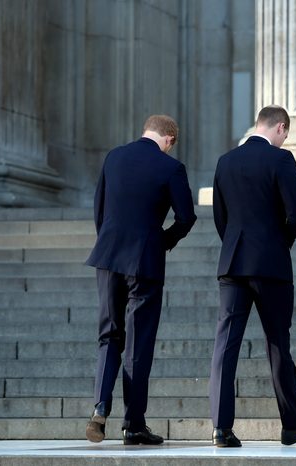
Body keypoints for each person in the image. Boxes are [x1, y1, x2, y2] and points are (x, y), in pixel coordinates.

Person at [208, 105, 296, 447]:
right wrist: (279, 242)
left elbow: (220, 218)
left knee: (225, 347)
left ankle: (220, 428)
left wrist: (235, 246)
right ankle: (292, 423)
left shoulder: (225, 161)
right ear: (280, 128)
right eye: (285, 133)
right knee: (277, 344)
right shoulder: (281, 160)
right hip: (270, 265)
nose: (285, 139)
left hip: (232, 264)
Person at [84, 115, 197, 445]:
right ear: (170, 139)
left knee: (109, 335)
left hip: (108, 257)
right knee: (138, 343)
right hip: (144, 261)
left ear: (145, 130)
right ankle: (133, 424)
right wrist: (163, 241)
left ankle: (100, 407)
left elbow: (99, 207)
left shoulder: (114, 156)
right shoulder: (171, 168)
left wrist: (108, 241)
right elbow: (186, 217)